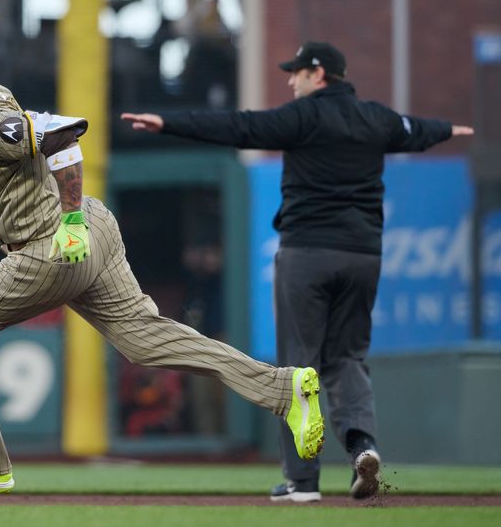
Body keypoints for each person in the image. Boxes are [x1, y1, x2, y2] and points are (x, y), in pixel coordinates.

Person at [0, 30, 325, 501]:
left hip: (48, 244)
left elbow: (65, 134)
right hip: (92, 229)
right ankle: (282, 389)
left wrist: (69, 220)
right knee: (147, 340)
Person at [121, 41, 475, 502]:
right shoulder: (376, 118)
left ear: (319, 73)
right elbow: (416, 130)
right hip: (363, 255)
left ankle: (302, 482)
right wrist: (450, 127)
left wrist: (168, 122)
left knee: (297, 367)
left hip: (308, 252)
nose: (291, 81)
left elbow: (239, 127)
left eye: (297, 73)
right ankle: (362, 447)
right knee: (347, 358)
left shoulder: (304, 116)